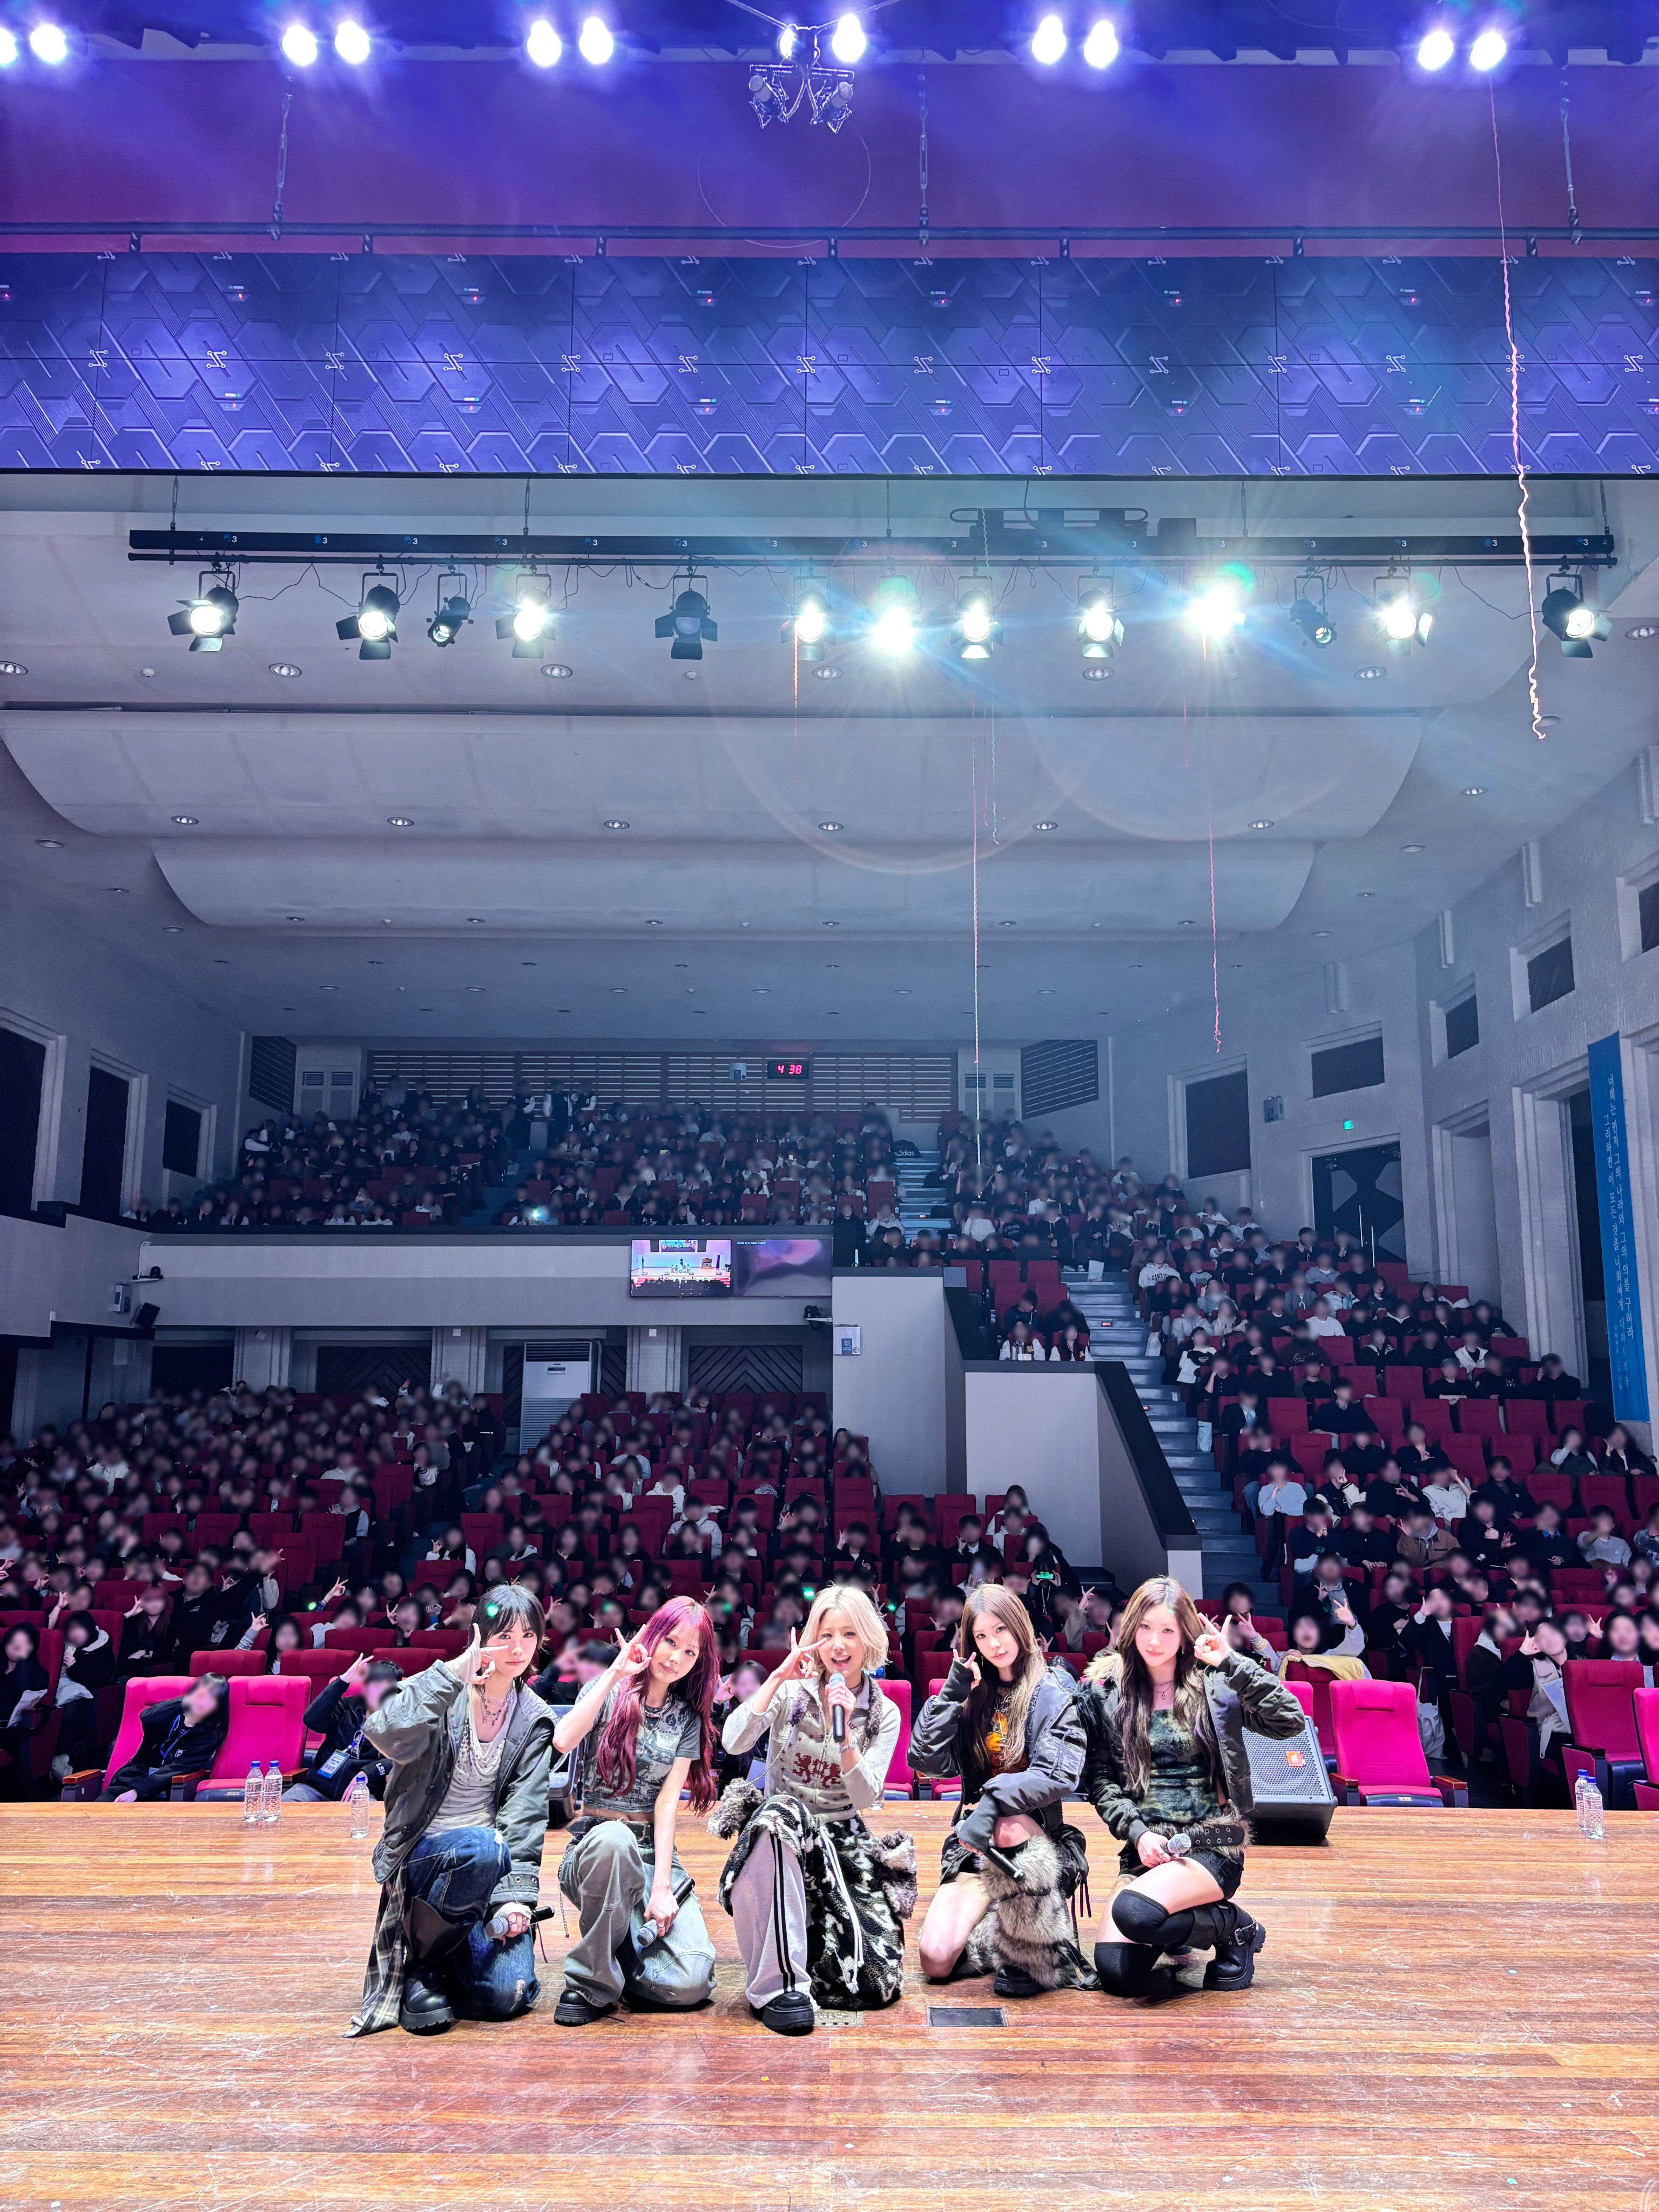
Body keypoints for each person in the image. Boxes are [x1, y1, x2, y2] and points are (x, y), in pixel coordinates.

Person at [1078, 1576, 1305, 1997]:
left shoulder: (1214, 1683)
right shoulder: (1107, 1692)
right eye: (1145, 1627)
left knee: (1134, 1913)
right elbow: (1101, 1780)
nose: (1154, 1641)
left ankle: (1236, 1927)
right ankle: (1175, 1918)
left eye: (1168, 1630)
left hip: (1211, 1840)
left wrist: (1231, 1662)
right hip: (1148, 1848)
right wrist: (1138, 1834)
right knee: (1116, 1973)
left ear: (1185, 1632)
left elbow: (1289, 1720)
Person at [350, 1583, 556, 2037]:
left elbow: (524, 1814)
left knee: (507, 1995)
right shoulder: (441, 1690)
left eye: (528, 1635)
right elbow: (383, 1731)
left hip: (491, 1866)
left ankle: (449, 1960)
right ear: (479, 1637)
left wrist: (514, 1898)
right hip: (424, 1853)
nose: (517, 1649)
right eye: (504, 1636)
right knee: (482, 1846)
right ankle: (422, 1965)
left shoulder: (535, 1718)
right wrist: (456, 1672)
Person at [711, 1586, 914, 2036]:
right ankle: (781, 1989)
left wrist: (845, 1739)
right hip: (779, 1835)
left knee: (875, 1982)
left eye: (849, 1634)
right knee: (781, 1811)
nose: (838, 1646)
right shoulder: (791, 1693)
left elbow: (866, 1798)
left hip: (841, 1838)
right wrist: (777, 1678)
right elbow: (734, 1742)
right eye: (827, 1635)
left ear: (868, 1638)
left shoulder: (883, 1712)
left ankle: (801, 1953)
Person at [910, 1585, 1091, 1997]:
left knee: (1007, 1824)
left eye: (1001, 1630)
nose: (994, 1644)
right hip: (976, 1845)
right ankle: (1017, 1928)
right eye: (981, 1636)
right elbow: (925, 1761)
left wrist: (991, 1803)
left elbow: (1059, 1774)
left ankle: (1031, 1948)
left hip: (1034, 1840)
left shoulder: (1052, 1688)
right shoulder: (972, 1694)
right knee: (936, 1959)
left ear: (1019, 1626)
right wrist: (952, 1694)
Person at [551, 1594, 720, 2024]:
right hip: (597, 1849)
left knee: (691, 1982)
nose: (676, 1658)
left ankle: (619, 1954)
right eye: (671, 1642)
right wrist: (615, 1673)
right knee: (614, 1840)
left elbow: (667, 1804)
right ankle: (590, 1984)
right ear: (653, 1636)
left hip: (650, 1854)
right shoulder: (607, 1692)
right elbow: (563, 1740)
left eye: (690, 1653)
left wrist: (661, 1886)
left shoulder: (687, 1719)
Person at [283, 1655, 403, 1801]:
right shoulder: (345, 1707)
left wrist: (368, 1773)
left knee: (369, 1813)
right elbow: (311, 1719)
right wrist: (344, 1680)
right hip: (317, 1788)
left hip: (362, 1791)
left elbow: (401, 1758)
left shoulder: (398, 1722)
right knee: (285, 1805)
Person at [98, 1674, 231, 1802]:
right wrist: (182, 1703)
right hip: (129, 1781)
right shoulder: (171, 1714)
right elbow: (146, 1718)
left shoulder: (208, 1737)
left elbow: (176, 1769)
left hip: (162, 1792)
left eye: (212, 1697)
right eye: (200, 1693)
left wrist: (136, 1792)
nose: (203, 1700)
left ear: (218, 1706)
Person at [0, 1623, 52, 1797]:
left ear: (32, 1648)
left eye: (23, 1645)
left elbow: (20, 1691)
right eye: (12, 1643)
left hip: (13, 1730)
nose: (15, 1648)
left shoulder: (38, 1673)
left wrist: (24, 1662)